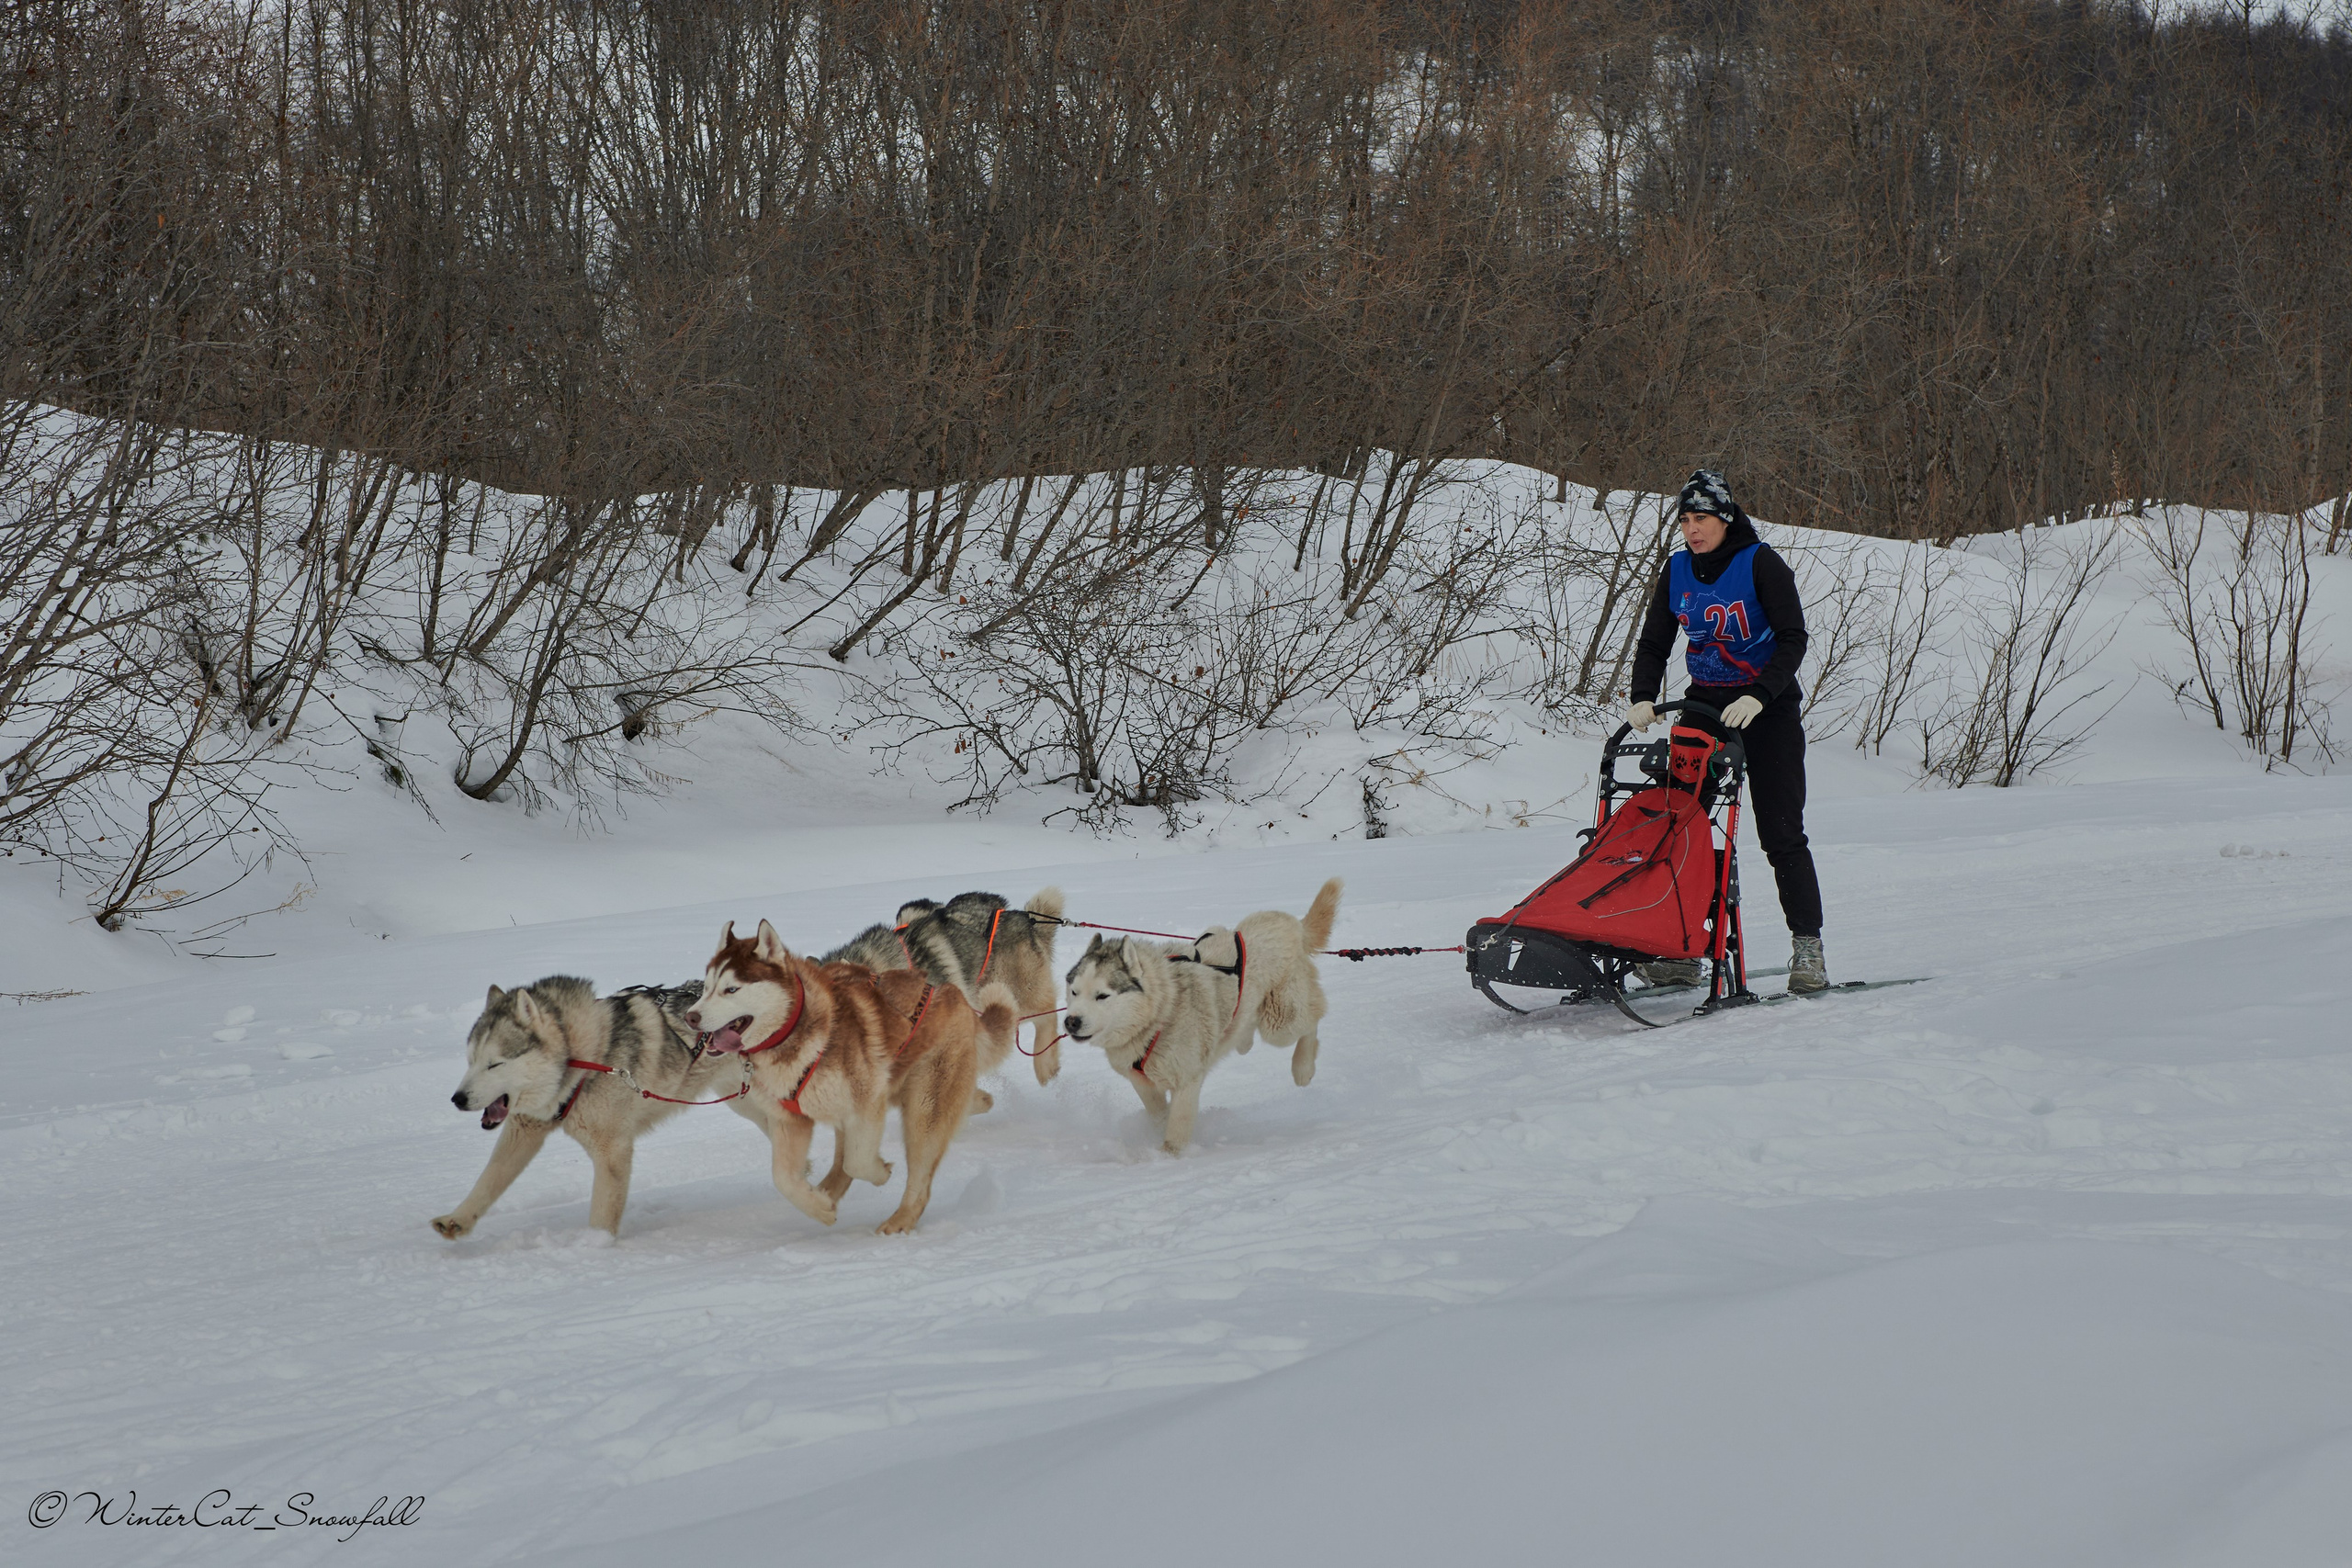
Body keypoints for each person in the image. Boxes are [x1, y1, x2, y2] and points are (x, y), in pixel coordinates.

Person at [1624, 469, 1827, 994]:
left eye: (1703, 519)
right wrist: (1643, 694)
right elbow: (1654, 641)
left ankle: (1808, 950)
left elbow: (1792, 639)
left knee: (1780, 834)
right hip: (1706, 709)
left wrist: (1760, 695)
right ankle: (1682, 951)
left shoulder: (1760, 563)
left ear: (1726, 518)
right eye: (1686, 520)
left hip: (1768, 709)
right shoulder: (1677, 570)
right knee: (1682, 826)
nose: (1693, 530)